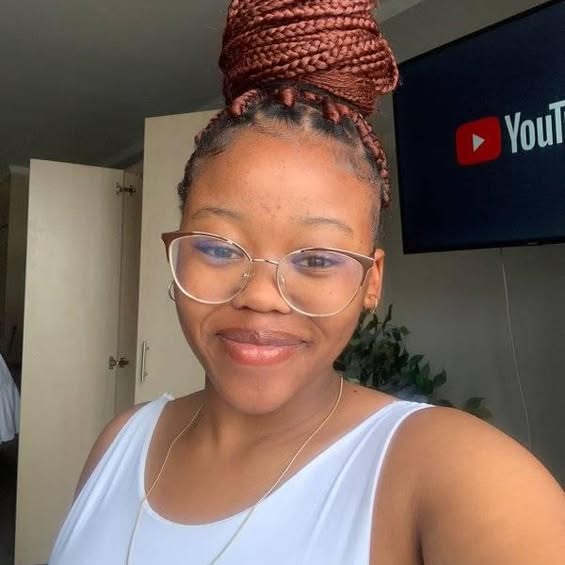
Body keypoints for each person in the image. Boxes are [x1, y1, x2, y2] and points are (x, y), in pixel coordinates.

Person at [49, 1, 565, 563]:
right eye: (218, 248)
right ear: (175, 257)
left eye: (317, 258)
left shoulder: (454, 470)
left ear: (372, 282)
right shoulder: (119, 443)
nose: (260, 296)